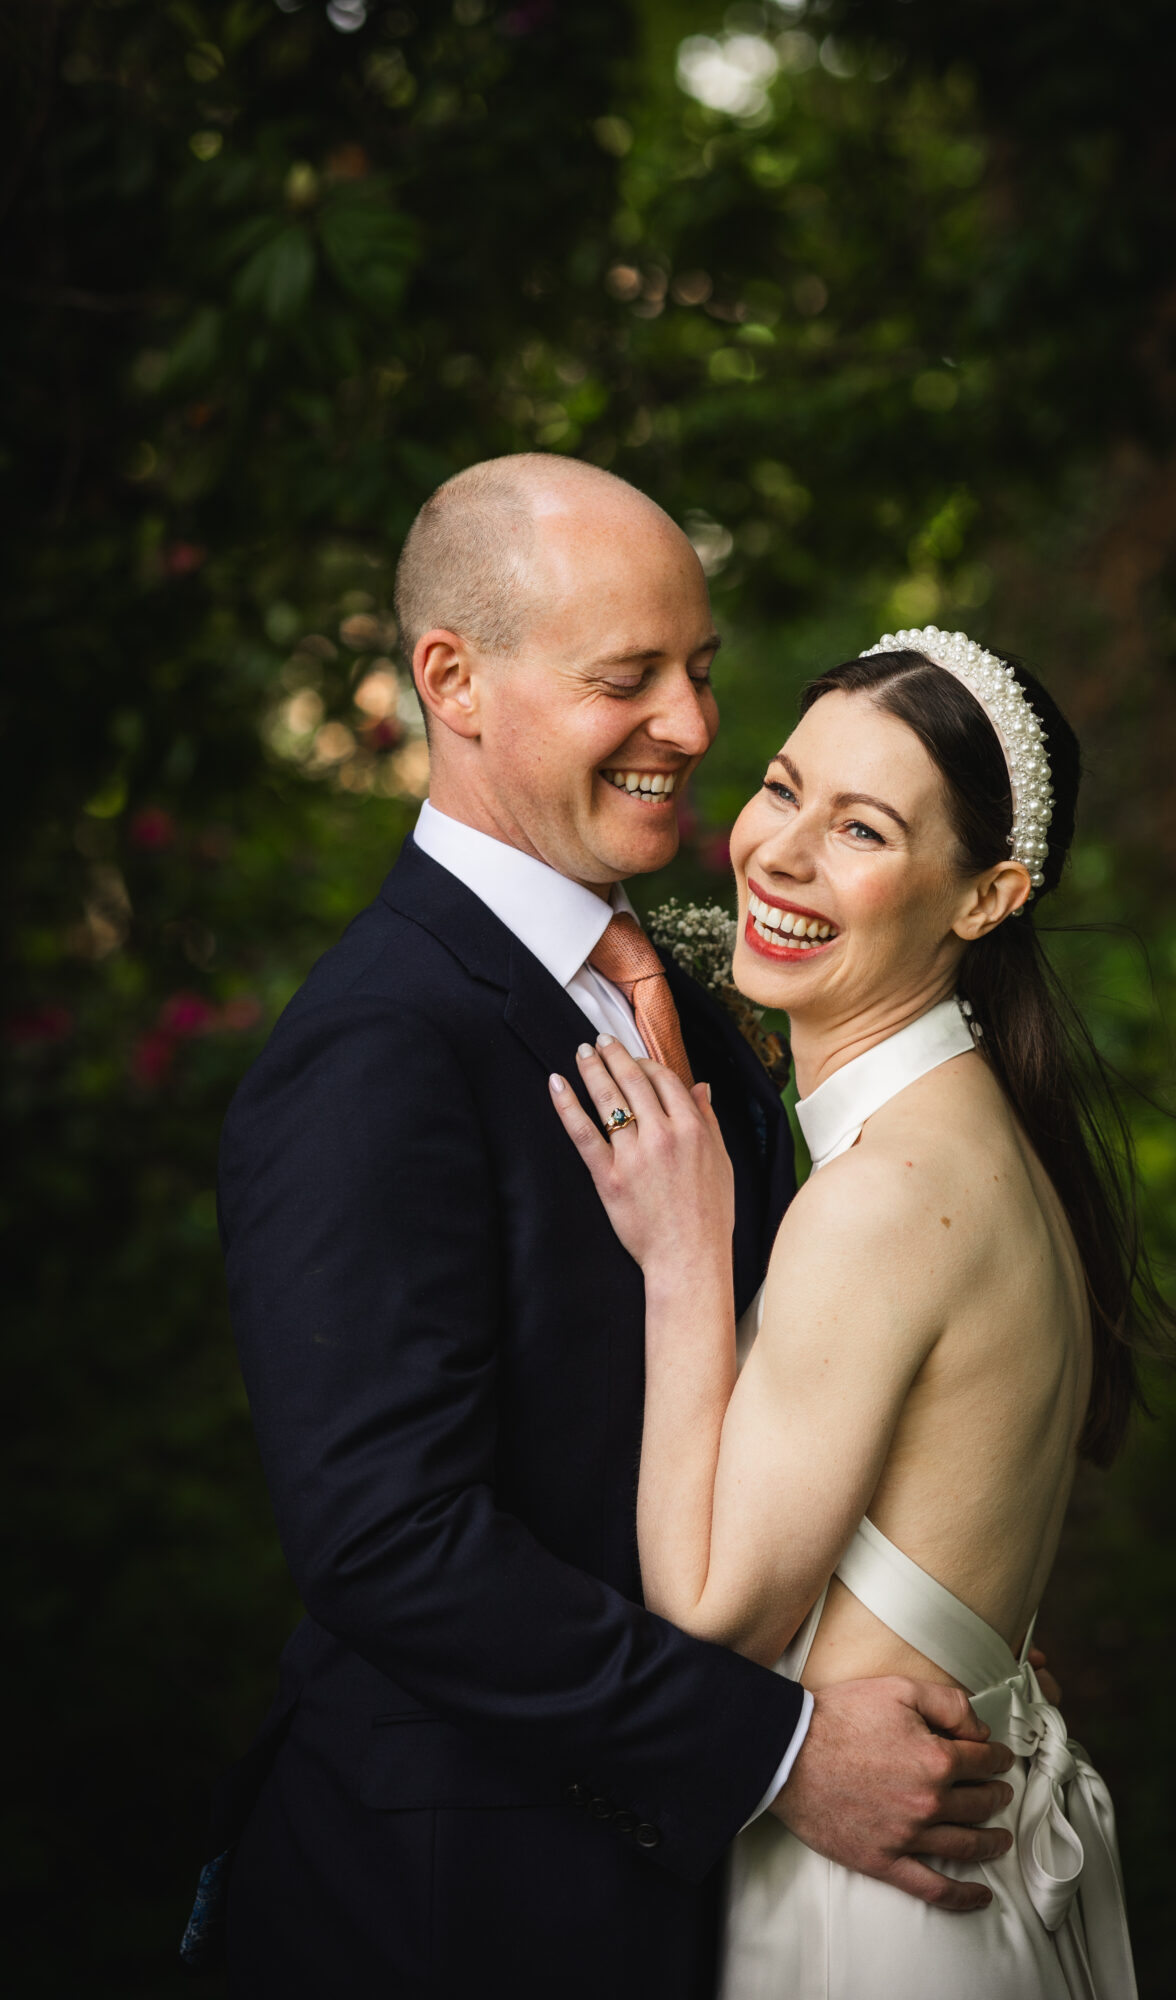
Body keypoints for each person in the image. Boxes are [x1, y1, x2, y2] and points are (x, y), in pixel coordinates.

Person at [200, 466, 1020, 2000]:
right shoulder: (376, 1049)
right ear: (454, 680)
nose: (695, 730)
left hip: (713, 1903)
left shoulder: (698, 1018)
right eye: (625, 679)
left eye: (700, 674)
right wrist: (775, 1754)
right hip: (458, 1909)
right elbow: (388, 1543)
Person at [552, 627, 1149, 1998]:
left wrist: (686, 1257)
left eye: (864, 828)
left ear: (985, 896)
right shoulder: (983, 1145)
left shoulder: (882, 1195)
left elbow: (706, 1620)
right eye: (781, 789)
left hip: (875, 1907)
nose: (779, 854)